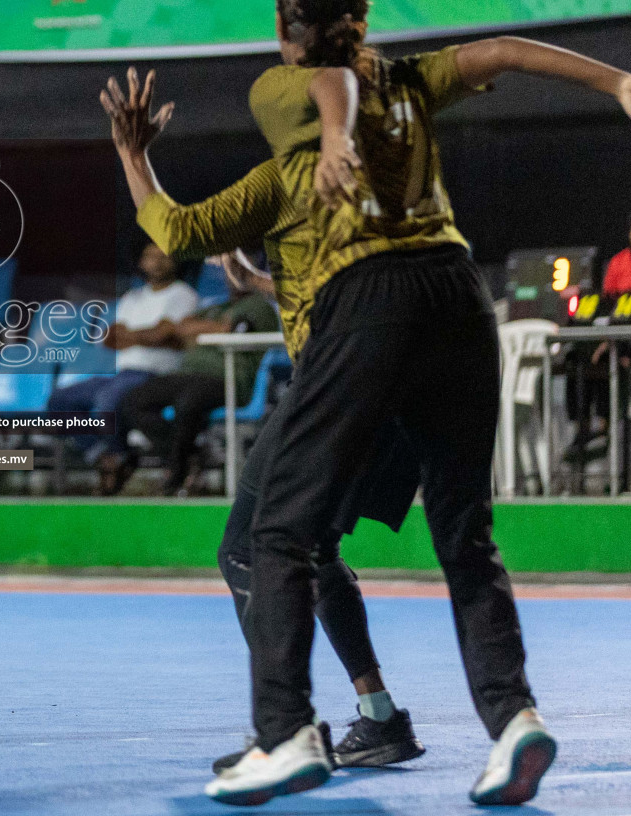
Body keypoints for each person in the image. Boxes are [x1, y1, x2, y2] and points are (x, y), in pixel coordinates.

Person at [161, 0, 631, 806]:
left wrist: (337, 136)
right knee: (465, 536)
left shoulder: (281, 87)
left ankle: (286, 733)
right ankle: (514, 719)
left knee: (277, 534)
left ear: (285, 30)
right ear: (367, 14)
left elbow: (331, 85)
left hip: (372, 298)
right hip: (459, 296)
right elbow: (510, 51)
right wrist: (619, 82)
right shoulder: (411, 79)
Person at [107, 113, 426, 774]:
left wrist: (133, 155)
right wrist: (257, 283)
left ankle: (289, 729)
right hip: (393, 395)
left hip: (331, 390)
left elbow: (174, 229)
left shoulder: (292, 178)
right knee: (316, 551)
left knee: (246, 552)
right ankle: (380, 718)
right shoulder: (383, 190)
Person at [112, 253, 279, 496]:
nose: (233, 277)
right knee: (132, 400)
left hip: (228, 380)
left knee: (188, 402)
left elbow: (234, 331)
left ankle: (176, 475)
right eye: (231, 271)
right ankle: (190, 456)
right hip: (187, 374)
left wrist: (204, 330)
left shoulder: (260, 308)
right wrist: (214, 327)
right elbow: (179, 328)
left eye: (241, 270)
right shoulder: (217, 307)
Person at [47, 242, 199, 492]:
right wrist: (149, 334)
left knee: (107, 402)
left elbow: (163, 334)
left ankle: (119, 459)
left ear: (175, 261)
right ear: (141, 262)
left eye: (163, 256)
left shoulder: (184, 295)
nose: (157, 261)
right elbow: (110, 337)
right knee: (61, 401)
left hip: (157, 375)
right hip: (120, 374)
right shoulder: (132, 297)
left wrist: (135, 335)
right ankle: (105, 456)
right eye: (150, 256)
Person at [562, 208, 631, 478]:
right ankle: (586, 427)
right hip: (617, 338)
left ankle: (607, 425)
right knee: (579, 356)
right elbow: (608, 308)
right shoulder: (618, 263)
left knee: (616, 354)